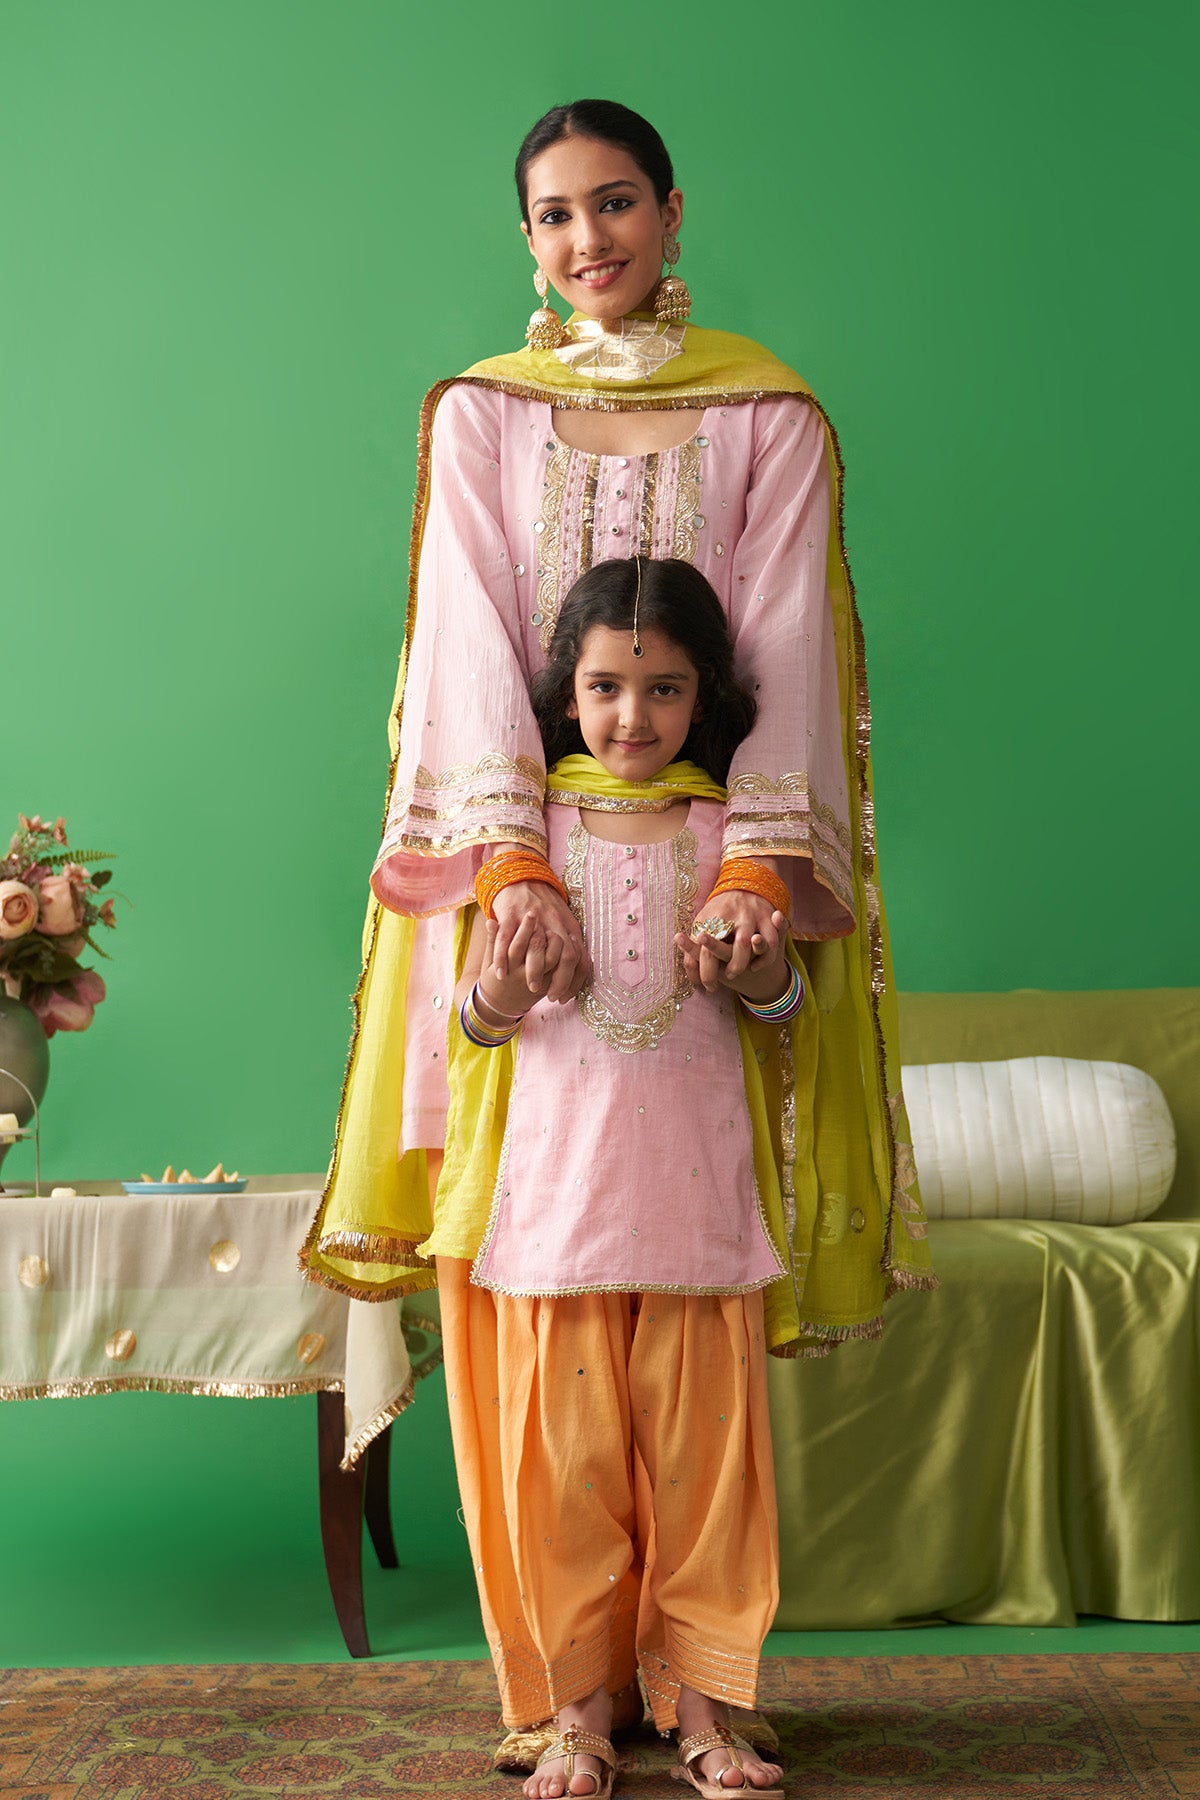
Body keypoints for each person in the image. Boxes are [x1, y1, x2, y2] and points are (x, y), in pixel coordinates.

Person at [301, 95, 934, 1773]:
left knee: (698, 1360)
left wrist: (757, 879)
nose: (589, 239)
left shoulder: (768, 413)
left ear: (672, 210)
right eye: (555, 215)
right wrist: (512, 871)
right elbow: (461, 648)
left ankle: (702, 1682)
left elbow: (779, 651)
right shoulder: (483, 416)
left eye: (617, 203)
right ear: (527, 240)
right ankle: (572, 1686)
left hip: (712, 896)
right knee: (543, 1327)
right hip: (523, 902)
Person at [440, 553, 792, 1798]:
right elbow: (470, 1028)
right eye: (605, 687)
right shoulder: (520, 844)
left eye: (664, 688)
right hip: (560, 1206)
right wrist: (501, 986)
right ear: (566, 693)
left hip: (697, 1200)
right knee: (568, 1470)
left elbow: (784, 1010)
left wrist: (757, 970)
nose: (632, 716)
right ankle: (578, 1710)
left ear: (707, 697)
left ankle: (705, 1706)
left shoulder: (735, 836)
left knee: (707, 1475)